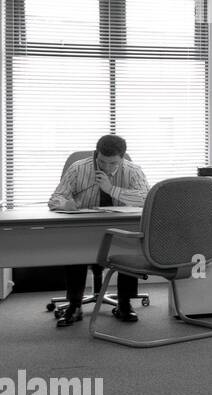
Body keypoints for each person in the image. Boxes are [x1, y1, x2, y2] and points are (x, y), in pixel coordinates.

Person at [48, 134, 150, 327]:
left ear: (122, 157)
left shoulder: (133, 171)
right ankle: (75, 306)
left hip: (119, 230)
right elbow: (55, 199)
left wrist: (112, 190)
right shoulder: (78, 168)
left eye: (113, 164)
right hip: (84, 229)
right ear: (97, 154)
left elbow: (146, 199)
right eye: (102, 162)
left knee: (129, 247)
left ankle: (124, 304)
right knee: (74, 248)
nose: (107, 167)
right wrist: (65, 204)